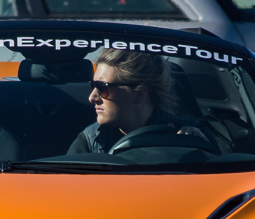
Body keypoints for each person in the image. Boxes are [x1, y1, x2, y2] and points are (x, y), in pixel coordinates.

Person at [67, 48, 213, 154]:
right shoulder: (90, 142)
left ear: (139, 94)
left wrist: (201, 150)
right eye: (93, 86)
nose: (92, 97)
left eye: (101, 87)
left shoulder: (189, 136)